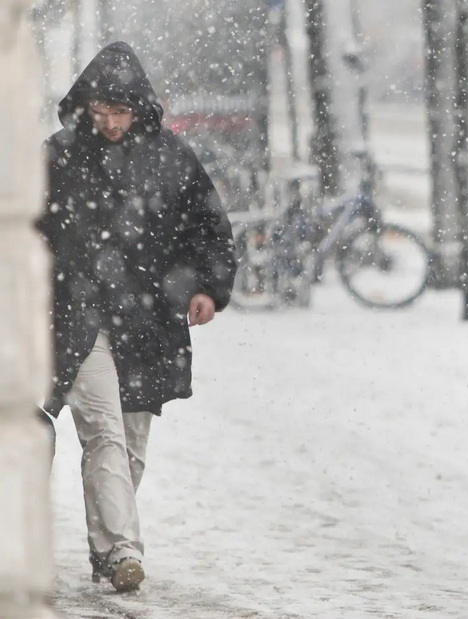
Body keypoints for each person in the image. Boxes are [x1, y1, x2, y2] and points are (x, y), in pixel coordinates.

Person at [37, 41, 236, 593]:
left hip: (147, 321)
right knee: (103, 428)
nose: (110, 122)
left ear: (138, 108)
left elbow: (209, 229)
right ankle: (122, 548)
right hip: (75, 317)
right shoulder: (57, 156)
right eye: (101, 110)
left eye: (120, 111)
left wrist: (209, 288)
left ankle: (107, 548)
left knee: (129, 443)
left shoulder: (171, 158)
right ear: (86, 106)